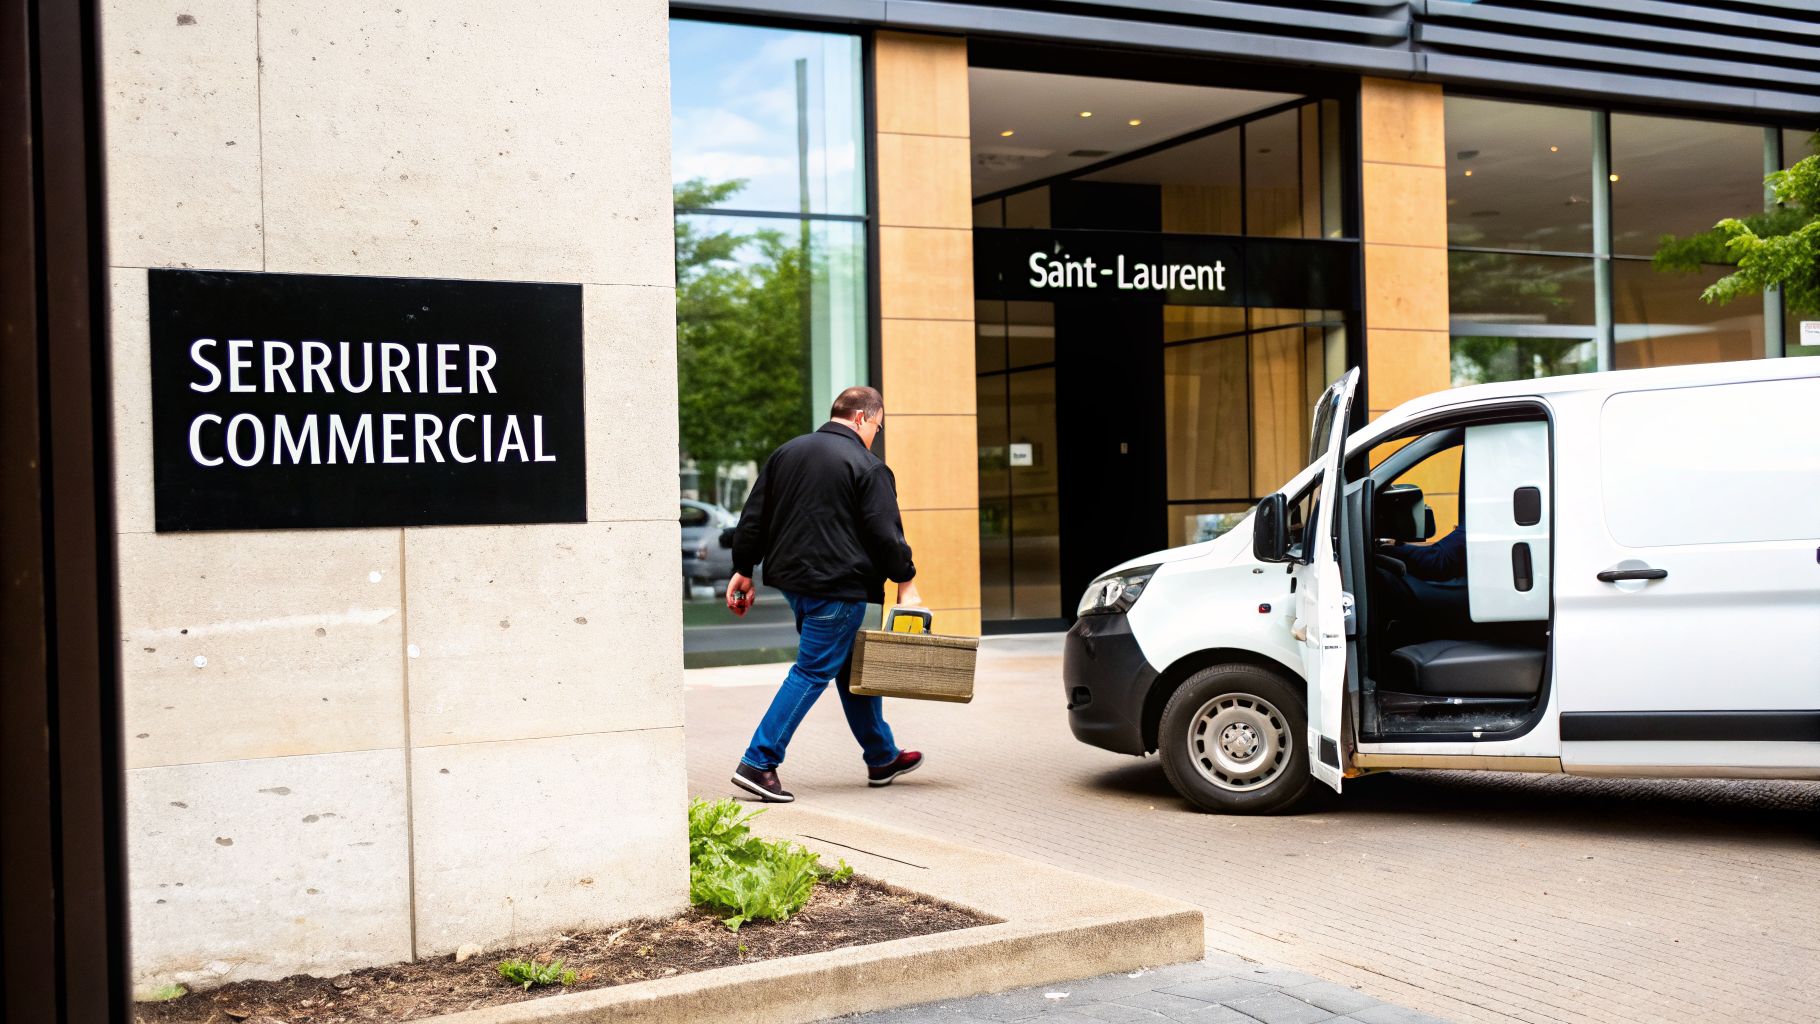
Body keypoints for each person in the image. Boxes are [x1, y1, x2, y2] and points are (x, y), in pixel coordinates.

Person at [724, 385, 924, 803]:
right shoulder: (867, 466)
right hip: (838, 588)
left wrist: (743, 569)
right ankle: (758, 762)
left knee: (852, 674)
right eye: (877, 427)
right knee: (812, 671)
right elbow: (886, 535)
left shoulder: (787, 453)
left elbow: (754, 516)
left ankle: (882, 756)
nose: (875, 436)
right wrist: (907, 583)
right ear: (862, 419)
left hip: (796, 583)